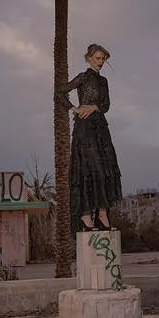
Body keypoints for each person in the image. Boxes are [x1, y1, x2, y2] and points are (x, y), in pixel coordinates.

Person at [58, 43, 122, 232]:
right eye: (97, 58)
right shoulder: (83, 77)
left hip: (101, 128)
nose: (100, 62)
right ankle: (86, 216)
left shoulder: (104, 82)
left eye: (103, 59)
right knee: (87, 169)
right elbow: (60, 93)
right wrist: (76, 109)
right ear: (88, 58)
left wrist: (94, 107)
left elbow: (106, 105)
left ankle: (102, 216)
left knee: (104, 170)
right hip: (84, 129)